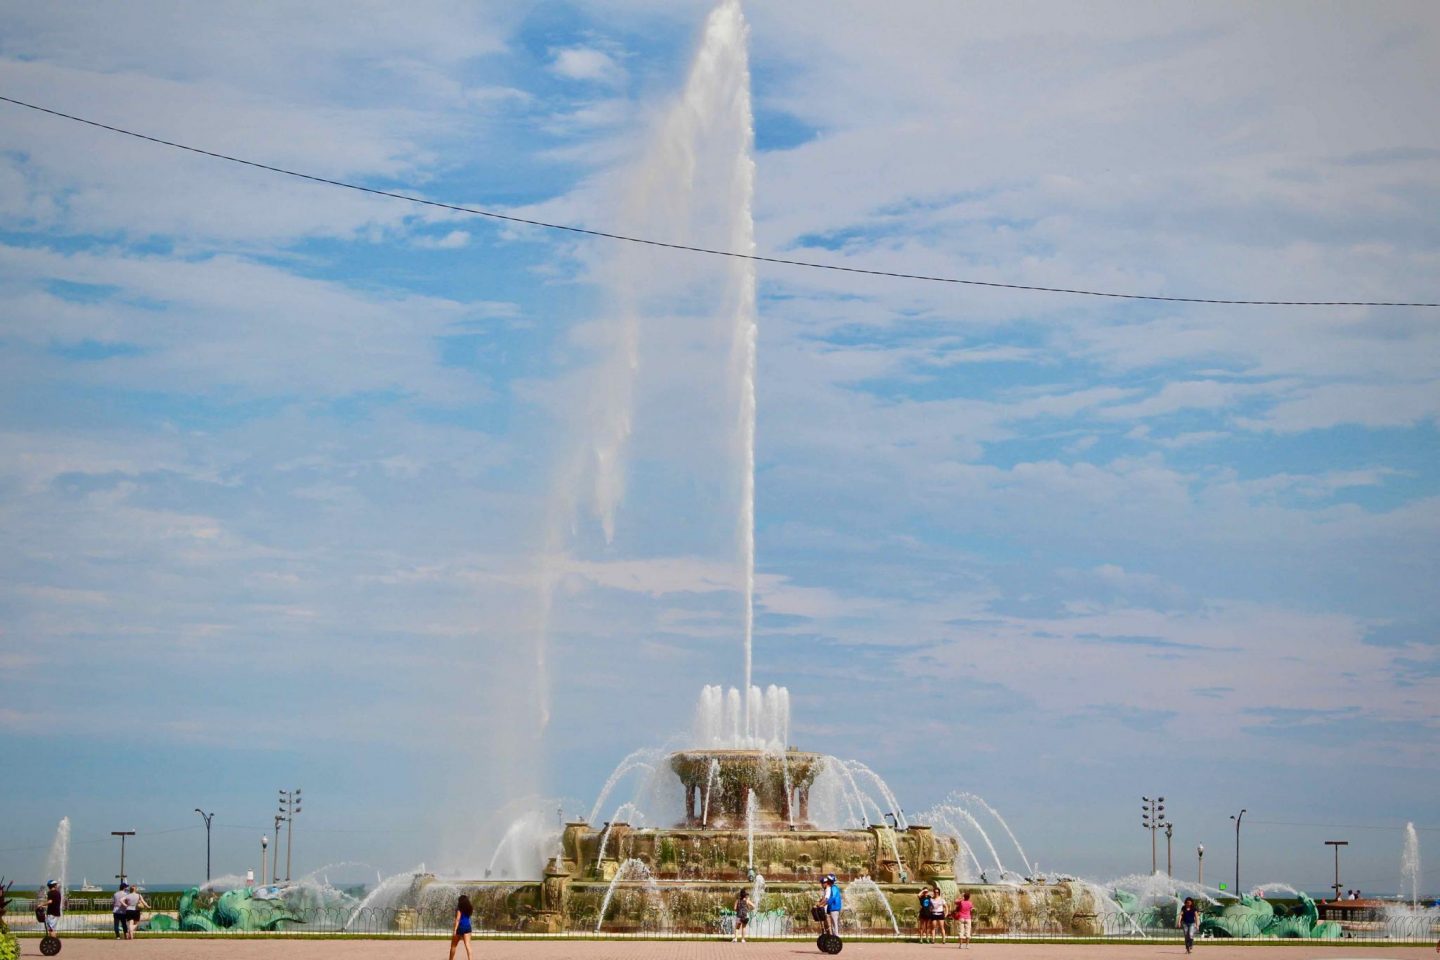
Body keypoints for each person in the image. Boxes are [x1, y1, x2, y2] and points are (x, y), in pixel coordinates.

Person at [448, 893, 473, 960]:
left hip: (460, 927)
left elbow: (458, 919)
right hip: (468, 927)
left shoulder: (459, 908)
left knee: (453, 945)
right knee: (468, 945)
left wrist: (455, 930)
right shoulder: (469, 908)